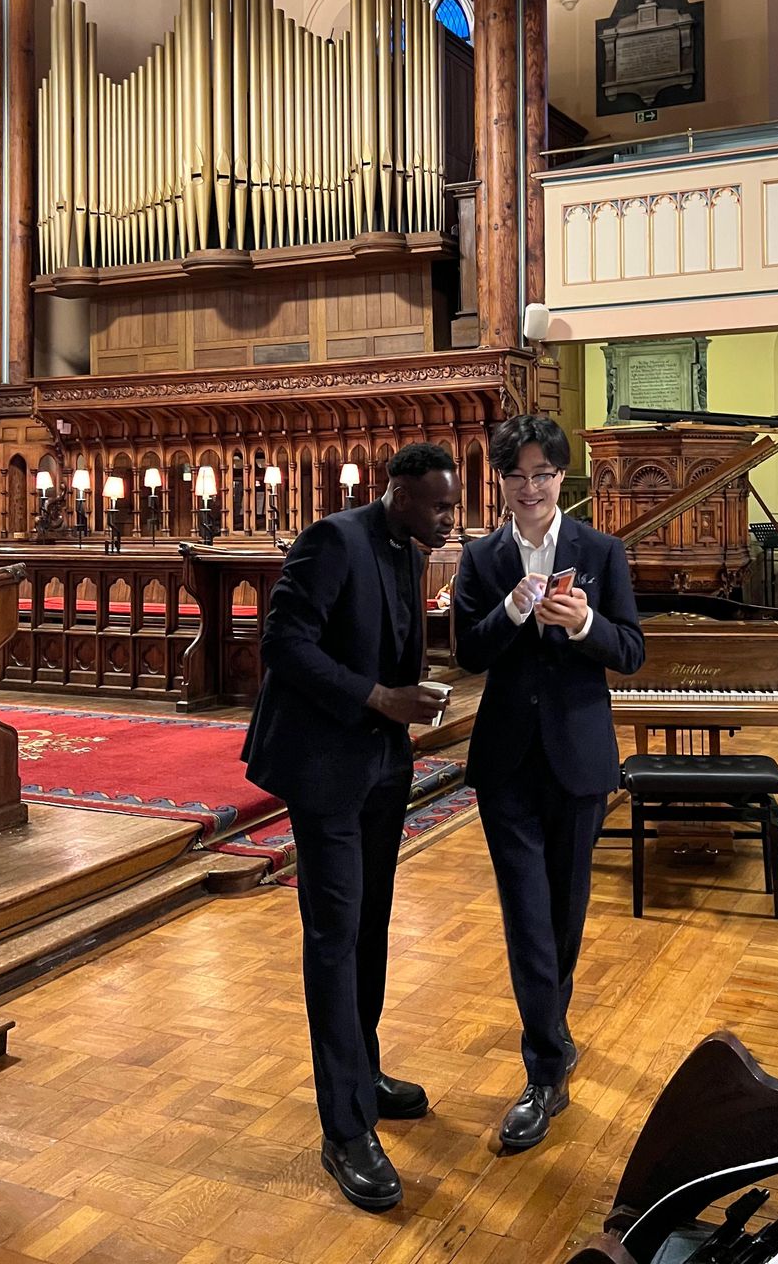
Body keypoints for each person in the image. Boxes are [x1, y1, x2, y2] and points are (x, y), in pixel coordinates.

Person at [242, 443, 462, 1211]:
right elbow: (282, 644)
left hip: (382, 765)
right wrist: (377, 697)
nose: (451, 518)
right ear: (399, 493)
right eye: (440, 505)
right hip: (326, 765)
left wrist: (408, 695)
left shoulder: (407, 549)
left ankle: (362, 1074)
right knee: (335, 937)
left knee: (370, 926)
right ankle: (344, 1130)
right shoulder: (332, 540)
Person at [454, 415, 644, 1150]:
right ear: (499, 481)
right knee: (526, 914)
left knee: (564, 912)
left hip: (578, 758)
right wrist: (510, 610)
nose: (529, 488)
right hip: (505, 762)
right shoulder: (482, 557)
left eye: (542, 474)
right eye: (516, 476)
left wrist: (586, 624)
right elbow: (469, 653)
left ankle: (553, 1034)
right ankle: (543, 1073)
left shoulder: (601, 551)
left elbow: (631, 651)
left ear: (562, 477)